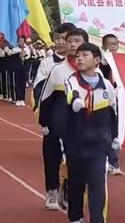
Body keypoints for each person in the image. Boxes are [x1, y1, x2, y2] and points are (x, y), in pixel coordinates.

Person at [63, 42, 118, 223]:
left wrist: (115, 137)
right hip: (76, 142)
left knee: (97, 182)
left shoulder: (107, 87)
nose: (79, 58)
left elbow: (113, 112)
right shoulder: (72, 80)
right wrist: (77, 100)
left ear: (97, 60)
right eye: (77, 55)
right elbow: (72, 92)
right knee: (76, 182)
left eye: (84, 55)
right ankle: (75, 220)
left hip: (98, 144)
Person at [37, 27, 88, 211]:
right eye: (70, 41)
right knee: (52, 158)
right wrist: (44, 121)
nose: (73, 45)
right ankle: (52, 189)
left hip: (83, 125)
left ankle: (69, 190)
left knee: (77, 162)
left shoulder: (93, 71)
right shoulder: (56, 69)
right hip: (57, 123)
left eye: (77, 41)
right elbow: (43, 96)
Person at [32, 23, 76, 110]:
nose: (59, 42)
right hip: (54, 111)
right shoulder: (46, 63)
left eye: (64, 38)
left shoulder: (81, 61)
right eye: (57, 38)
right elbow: (38, 88)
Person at [100, 34, 121, 176]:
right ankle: (112, 161)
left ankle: (111, 158)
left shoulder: (121, 62)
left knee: (114, 131)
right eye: (110, 44)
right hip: (103, 101)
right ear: (104, 46)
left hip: (117, 100)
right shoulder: (101, 63)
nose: (112, 47)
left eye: (115, 44)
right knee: (105, 131)